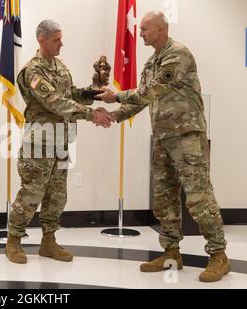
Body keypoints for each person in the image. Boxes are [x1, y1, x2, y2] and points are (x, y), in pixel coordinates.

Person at [97, 11, 229, 282]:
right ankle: (171, 252)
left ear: (161, 28)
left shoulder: (177, 54)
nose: (141, 33)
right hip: (162, 139)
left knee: (198, 198)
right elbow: (140, 100)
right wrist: (113, 115)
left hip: (187, 137)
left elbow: (153, 90)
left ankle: (218, 256)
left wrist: (117, 96)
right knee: (164, 198)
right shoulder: (150, 62)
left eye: (145, 29)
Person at [5, 19, 112, 264]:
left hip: (61, 143)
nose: (61, 44)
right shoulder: (33, 71)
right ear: (41, 40)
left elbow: (71, 94)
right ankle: (13, 241)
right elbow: (55, 101)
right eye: (56, 40)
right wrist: (91, 114)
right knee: (31, 194)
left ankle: (48, 242)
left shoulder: (59, 67)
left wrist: (94, 89)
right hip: (39, 145)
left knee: (57, 195)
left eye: (61, 39)